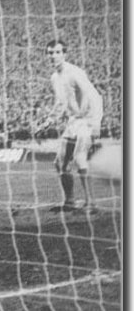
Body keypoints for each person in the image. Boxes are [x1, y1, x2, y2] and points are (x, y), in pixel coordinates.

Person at [44, 40, 104, 212]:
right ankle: (70, 201)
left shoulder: (75, 72)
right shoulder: (55, 77)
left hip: (88, 118)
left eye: (57, 52)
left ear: (65, 53)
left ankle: (91, 203)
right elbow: (60, 102)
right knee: (60, 162)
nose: (53, 56)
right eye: (50, 53)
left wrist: (94, 123)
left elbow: (90, 95)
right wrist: (49, 120)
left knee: (80, 157)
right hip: (74, 120)